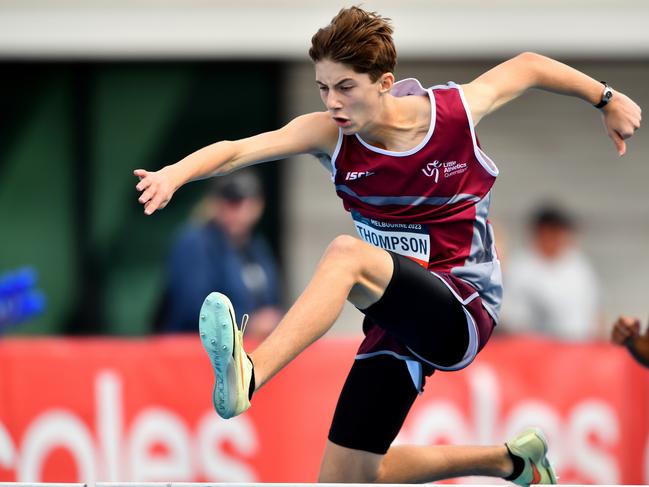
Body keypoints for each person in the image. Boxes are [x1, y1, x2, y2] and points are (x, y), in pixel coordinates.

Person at [134, 7, 640, 484]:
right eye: (322, 88)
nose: (332, 102)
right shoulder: (330, 136)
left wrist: (607, 98)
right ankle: (511, 462)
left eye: (345, 87)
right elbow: (240, 150)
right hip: (397, 323)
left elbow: (528, 67)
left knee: (345, 256)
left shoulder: (454, 112)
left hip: (463, 306)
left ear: (384, 84)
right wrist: (174, 174)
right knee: (348, 477)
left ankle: (250, 374)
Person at [158, 170, 282, 337]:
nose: (233, 211)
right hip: (195, 352)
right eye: (227, 201)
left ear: (257, 205)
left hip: (243, 353)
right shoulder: (195, 242)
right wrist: (248, 324)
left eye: (239, 202)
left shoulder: (257, 247)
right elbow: (191, 310)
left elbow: (270, 304)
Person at [500, 204, 602, 341]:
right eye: (556, 231)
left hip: (580, 349)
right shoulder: (520, 268)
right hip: (537, 351)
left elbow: (594, 312)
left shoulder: (578, 265)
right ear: (543, 232)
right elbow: (511, 321)